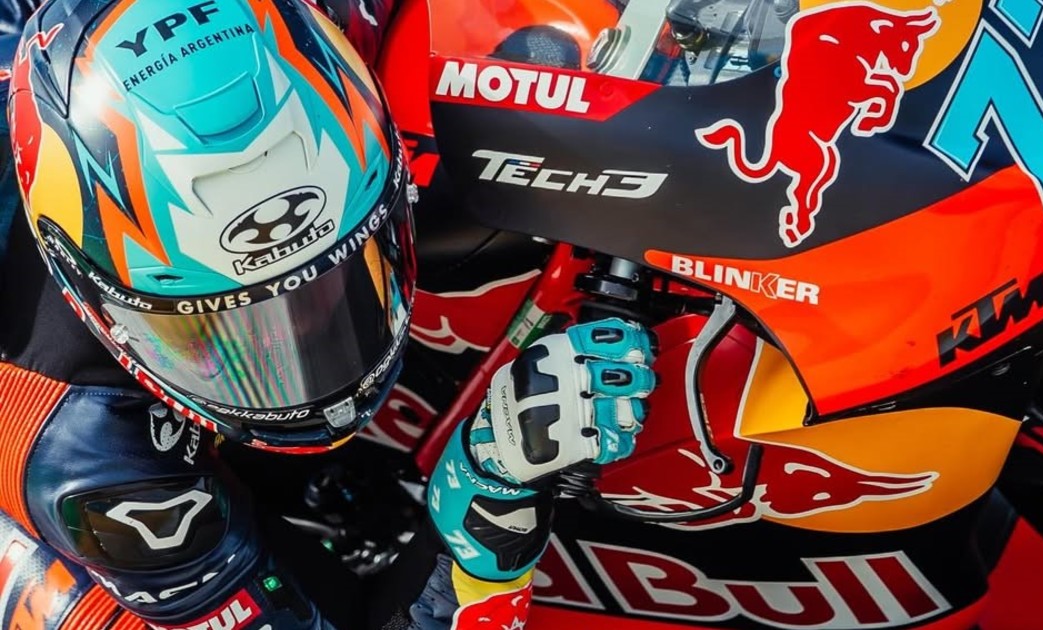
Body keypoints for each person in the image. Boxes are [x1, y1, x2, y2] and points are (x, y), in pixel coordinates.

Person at [0, 0, 657, 628]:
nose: (299, 346)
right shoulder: (86, 459)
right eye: (212, 328)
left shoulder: (316, 22)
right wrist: (491, 496)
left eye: (328, 283)